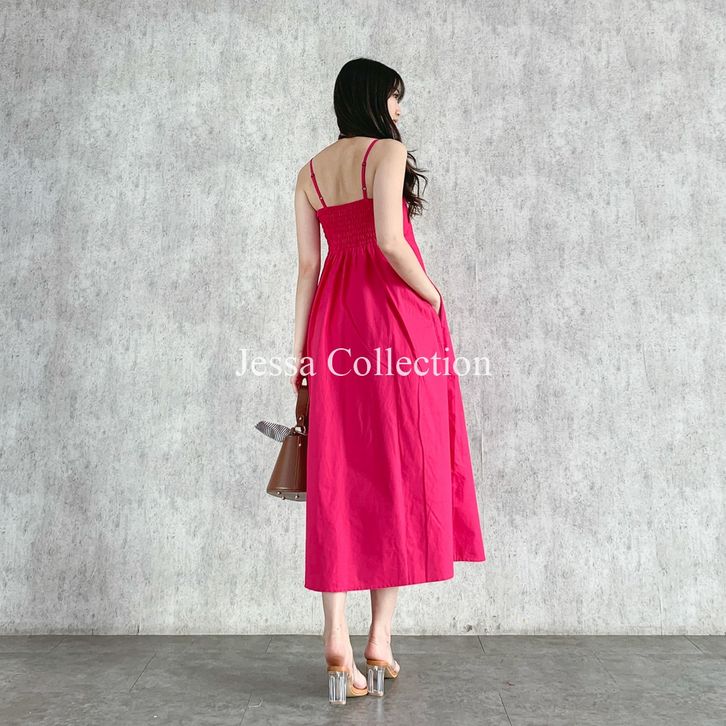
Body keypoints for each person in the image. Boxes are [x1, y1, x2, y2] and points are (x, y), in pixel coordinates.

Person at [289, 58, 486, 702]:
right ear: (376, 100)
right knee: (398, 467)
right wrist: (433, 295)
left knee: (338, 473)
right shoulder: (387, 153)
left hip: (332, 327)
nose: (400, 110)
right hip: (394, 320)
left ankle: (339, 641)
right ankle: (379, 638)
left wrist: (299, 353)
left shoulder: (309, 173)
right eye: (396, 98)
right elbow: (390, 242)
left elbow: (307, 269)